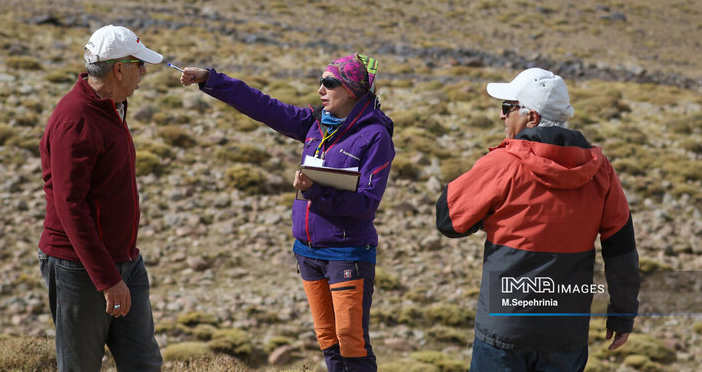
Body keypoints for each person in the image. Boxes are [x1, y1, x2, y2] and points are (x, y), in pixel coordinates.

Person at [180, 54, 394, 372]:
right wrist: (212, 80)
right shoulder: (314, 122)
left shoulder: (375, 137)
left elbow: (366, 203)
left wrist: (314, 191)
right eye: (320, 81)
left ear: (352, 90)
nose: (321, 88)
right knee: (329, 340)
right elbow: (263, 106)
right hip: (307, 252)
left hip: (347, 253)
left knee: (351, 341)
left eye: (329, 82)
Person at [436, 68, 640, 372]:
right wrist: (623, 313)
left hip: (504, 330)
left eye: (508, 108)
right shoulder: (601, 170)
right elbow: (621, 249)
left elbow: (448, 220)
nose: (503, 117)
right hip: (566, 334)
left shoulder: (504, 164)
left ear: (531, 117)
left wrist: (489, 212)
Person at [38, 25, 164, 371]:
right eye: (140, 65)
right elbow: (70, 207)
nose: (144, 73)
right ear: (119, 68)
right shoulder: (76, 120)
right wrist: (107, 279)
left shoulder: (110, 105)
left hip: (125, 260)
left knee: (144, 363)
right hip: (79, 268)